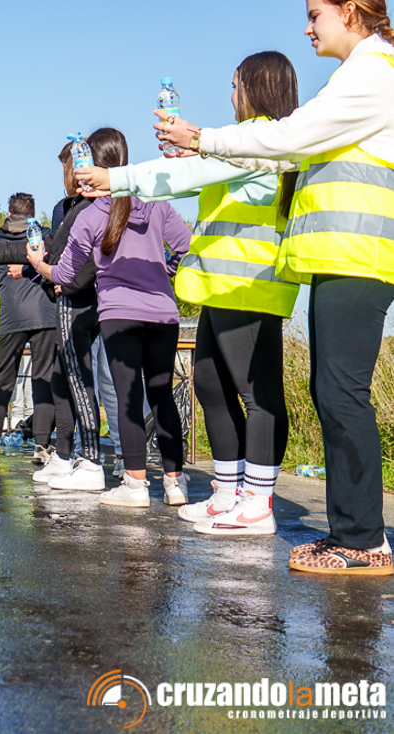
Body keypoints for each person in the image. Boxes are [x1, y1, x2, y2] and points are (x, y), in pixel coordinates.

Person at [158, 0, 394, 574]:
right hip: (343, 256)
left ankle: (364, 541)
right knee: (331, 391)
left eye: (315, 14)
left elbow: (292, 137)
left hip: (361, 256)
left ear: (352, 11)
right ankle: (350, 533)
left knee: (341, 393)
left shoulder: (372, 72)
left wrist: (202, 138)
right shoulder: (358, 73)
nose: (307, 27)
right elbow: (295, 150)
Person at [78, 52, 301, 532]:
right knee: (208, 384)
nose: (232, 94)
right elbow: (190, 178)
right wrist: (194, 155)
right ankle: (228, 491)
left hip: (250, 286)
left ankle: (257, 501)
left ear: (257, 88)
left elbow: (188, 177)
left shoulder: (264, 139)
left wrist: (117, 179)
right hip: (222, 287)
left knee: (257, 394)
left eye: (236, 85)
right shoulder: (243, 143)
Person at [27, 128, 192, 509]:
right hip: (163, 313)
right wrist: (164, 271)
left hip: (119, 315)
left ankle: (135, 486)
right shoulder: (154, 203)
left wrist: (37, 263)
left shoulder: (90, 216)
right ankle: (175, 483)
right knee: (162, 396)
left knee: (128, 397)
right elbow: (186, 245)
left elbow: (65, 276)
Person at [34, 143, 106, 490]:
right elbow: (54, 249)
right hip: (72, 294)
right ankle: (63, 456)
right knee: (63, 377)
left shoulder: (90, 206)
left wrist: (66, 281)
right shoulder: (70, 207)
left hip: (82, 299)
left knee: (80, 379)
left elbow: (87, 256)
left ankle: (92, 460)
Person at [0, 193, 58, 465]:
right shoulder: (45, 236)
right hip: (45, 315)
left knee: (2, 381)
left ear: (9, 214)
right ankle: (41, 447)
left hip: (11, 319)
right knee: (42, 378)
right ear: (34, 214)